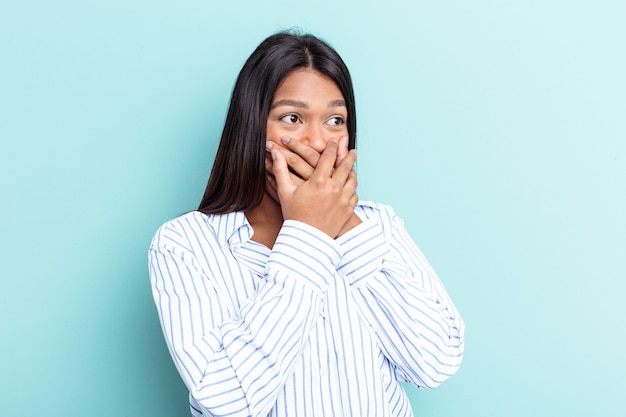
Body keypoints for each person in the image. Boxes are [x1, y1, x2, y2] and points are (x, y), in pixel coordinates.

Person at [148, 31, 464, 417]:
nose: (317, 143)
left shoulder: (379, 226)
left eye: (335, 120)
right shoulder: (185, 245)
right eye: (292, 118)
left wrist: (344, 222)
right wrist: (307, 234)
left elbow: (436, 364)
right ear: (251, 127)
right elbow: (226, 402)